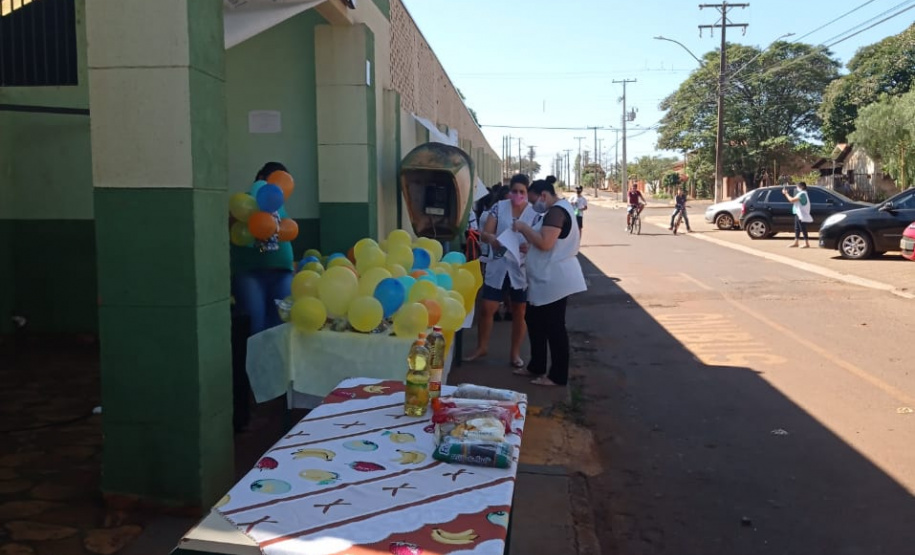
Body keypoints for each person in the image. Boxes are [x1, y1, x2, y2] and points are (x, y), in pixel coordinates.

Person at [512, 179, 587, 387]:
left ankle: (557, 376)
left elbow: (545, 243)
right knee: (535, 321)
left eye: (534, 199)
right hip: (545, 279)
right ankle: (536, 365)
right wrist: (530, 247)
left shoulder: (556, 212)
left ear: (543, 195)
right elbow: (546, 241)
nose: (534, 204)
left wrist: (523, 227)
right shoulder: (555, 211)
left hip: (555, 280)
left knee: (554, 327)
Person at [465, 174, 536, 368]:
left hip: (519, 267)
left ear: (527, 193)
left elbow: (538, 240)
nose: (518, 195)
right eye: (514, 191)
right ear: (509, 191)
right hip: (498, 264)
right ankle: (482, 347)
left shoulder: (533, 213)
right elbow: (486, 233)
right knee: (488, 308)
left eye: (522, 192)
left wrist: (529, 247)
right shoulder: (499, 208)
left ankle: (515, 354)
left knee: (519, 311)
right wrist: (492, 239)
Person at [230, 162, 295, 335]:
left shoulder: (279, 205)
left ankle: (277, 362)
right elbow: (234, 229)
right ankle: (254, 362)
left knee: (281, 327)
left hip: (282, 273)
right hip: (251, 273)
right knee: (255, 326)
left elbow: (288, 228)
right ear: (261, 179)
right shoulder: (244, 203)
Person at [785, 181, 813, 248]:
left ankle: (806, 243)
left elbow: (791, 200)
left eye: (798, 186)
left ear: (802, 187)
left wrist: (786, 193)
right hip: (798, 213)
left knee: (802, 228)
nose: (797, 188)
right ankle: (796, 242)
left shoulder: (802, 194)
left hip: (801, 213)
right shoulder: (802, 193)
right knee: (797, 228)